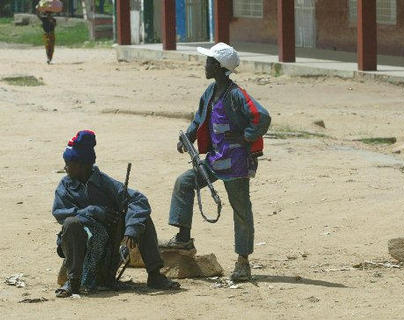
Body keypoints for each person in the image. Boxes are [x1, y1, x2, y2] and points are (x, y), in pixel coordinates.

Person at [162, 43, 271, 282]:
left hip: (236, 164)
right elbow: (198, 119)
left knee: (242, 211)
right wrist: (188, 138)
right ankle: (183, 238)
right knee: (184, 183)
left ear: (220, 68)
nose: (206, 65)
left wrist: (246, 136)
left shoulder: (236, 94)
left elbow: (262, 117)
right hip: (213, 160)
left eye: (210, 61)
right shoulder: (210, 92)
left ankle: (243, 261)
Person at [52, 130, 180, 298]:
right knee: (71, 223)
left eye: (69, 163)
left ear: (82, 165)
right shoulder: (65, 186)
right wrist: (91, 212)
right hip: (78, 248)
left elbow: (138, 200)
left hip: (109, 248)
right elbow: (59, 212)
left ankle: (155, 275)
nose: (65, 167)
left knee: (142, 219)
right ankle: (73, 280)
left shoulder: (104, 183)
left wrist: (132, 229)